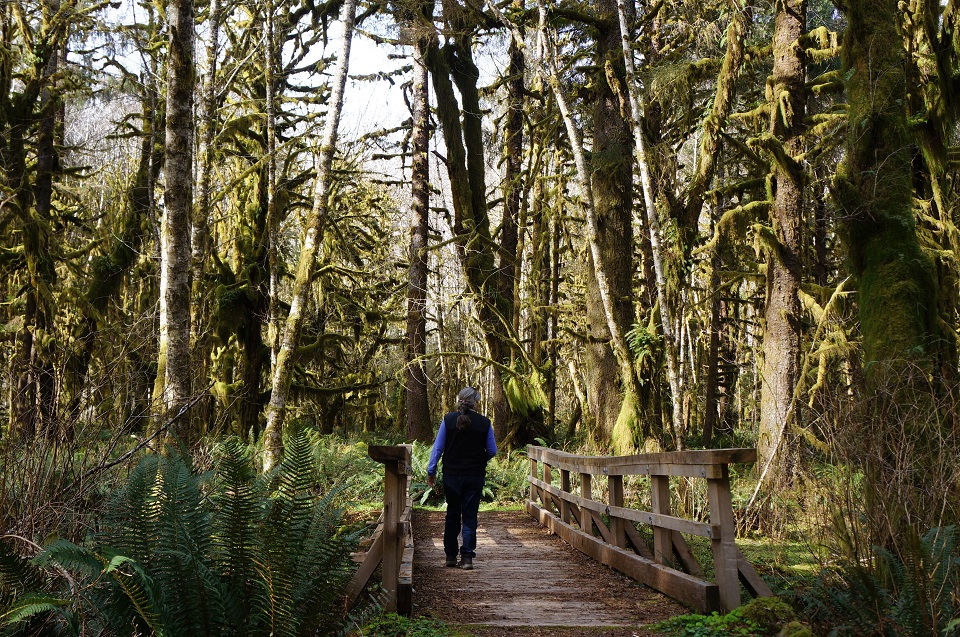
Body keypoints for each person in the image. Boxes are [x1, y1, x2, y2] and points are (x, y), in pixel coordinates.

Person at [426, 386, 497, 570]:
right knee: (470, 516)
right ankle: (467, 558)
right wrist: (479, 459)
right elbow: (492, 451)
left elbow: (438, 449)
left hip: (451, 476)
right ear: (475, 403)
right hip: (475, 476)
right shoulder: (484, 423)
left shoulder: (448, 420)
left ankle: (450, 555)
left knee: (452, 513)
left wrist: (431, 471)